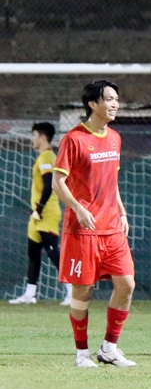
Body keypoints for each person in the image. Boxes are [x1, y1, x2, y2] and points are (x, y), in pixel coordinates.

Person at [53, 80, 136, 368]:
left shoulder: (115, 138)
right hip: (83, 230)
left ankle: (109, 349)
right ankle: (81, 354)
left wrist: (122, 212)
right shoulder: (74, 139)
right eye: (109, 99)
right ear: (93, 104)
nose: (115, 104)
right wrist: (78, 208)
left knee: (126, 284)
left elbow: (111, 182)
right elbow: (58, 182)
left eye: (117, 99)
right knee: (83, 291)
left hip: (112, 228)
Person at [9, 122, 72, 306]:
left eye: (34, 135)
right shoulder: (44, 156)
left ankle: (72, 292)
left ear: (42, 137)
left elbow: (49, 184)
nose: (32, 139)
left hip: (47, 213)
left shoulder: (47, 156)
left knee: (53, 252)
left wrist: (39, 208)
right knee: (33, 252)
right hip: (38, 215)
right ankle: (30, 294)